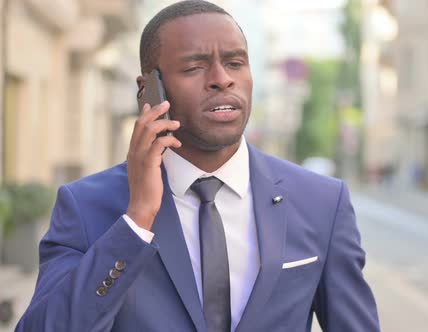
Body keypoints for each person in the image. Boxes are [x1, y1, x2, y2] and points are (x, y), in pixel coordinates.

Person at [16, 1, 380, 331]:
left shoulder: (322, 203)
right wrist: (137, 220)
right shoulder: (85, 207)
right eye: (194, 66)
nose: (222, 78)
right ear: (149, 91)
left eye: (236, 63)